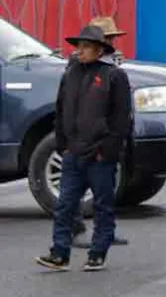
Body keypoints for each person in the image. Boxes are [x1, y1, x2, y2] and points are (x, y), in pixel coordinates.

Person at [37, 25, 132, 272]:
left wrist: (107, 150)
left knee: (102, 205)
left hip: (100, 155)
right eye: (79, 46)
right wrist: (63, 145)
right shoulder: (70, 74)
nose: (80, 51)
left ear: (100, 50)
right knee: (65, 205)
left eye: (86, 47)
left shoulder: (114, 76)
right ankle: (59, 253)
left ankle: (98, 252)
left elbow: (122, 119)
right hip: (72, 154)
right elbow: (60, 111)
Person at [68, 17, 131, 249]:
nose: (113, 41)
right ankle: (75, 229)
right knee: (77, 188)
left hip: (108, 136)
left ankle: (106, 232)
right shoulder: (78, 65)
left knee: (106, 189)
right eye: (109, 37)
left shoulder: (111, 65)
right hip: (89, 139)